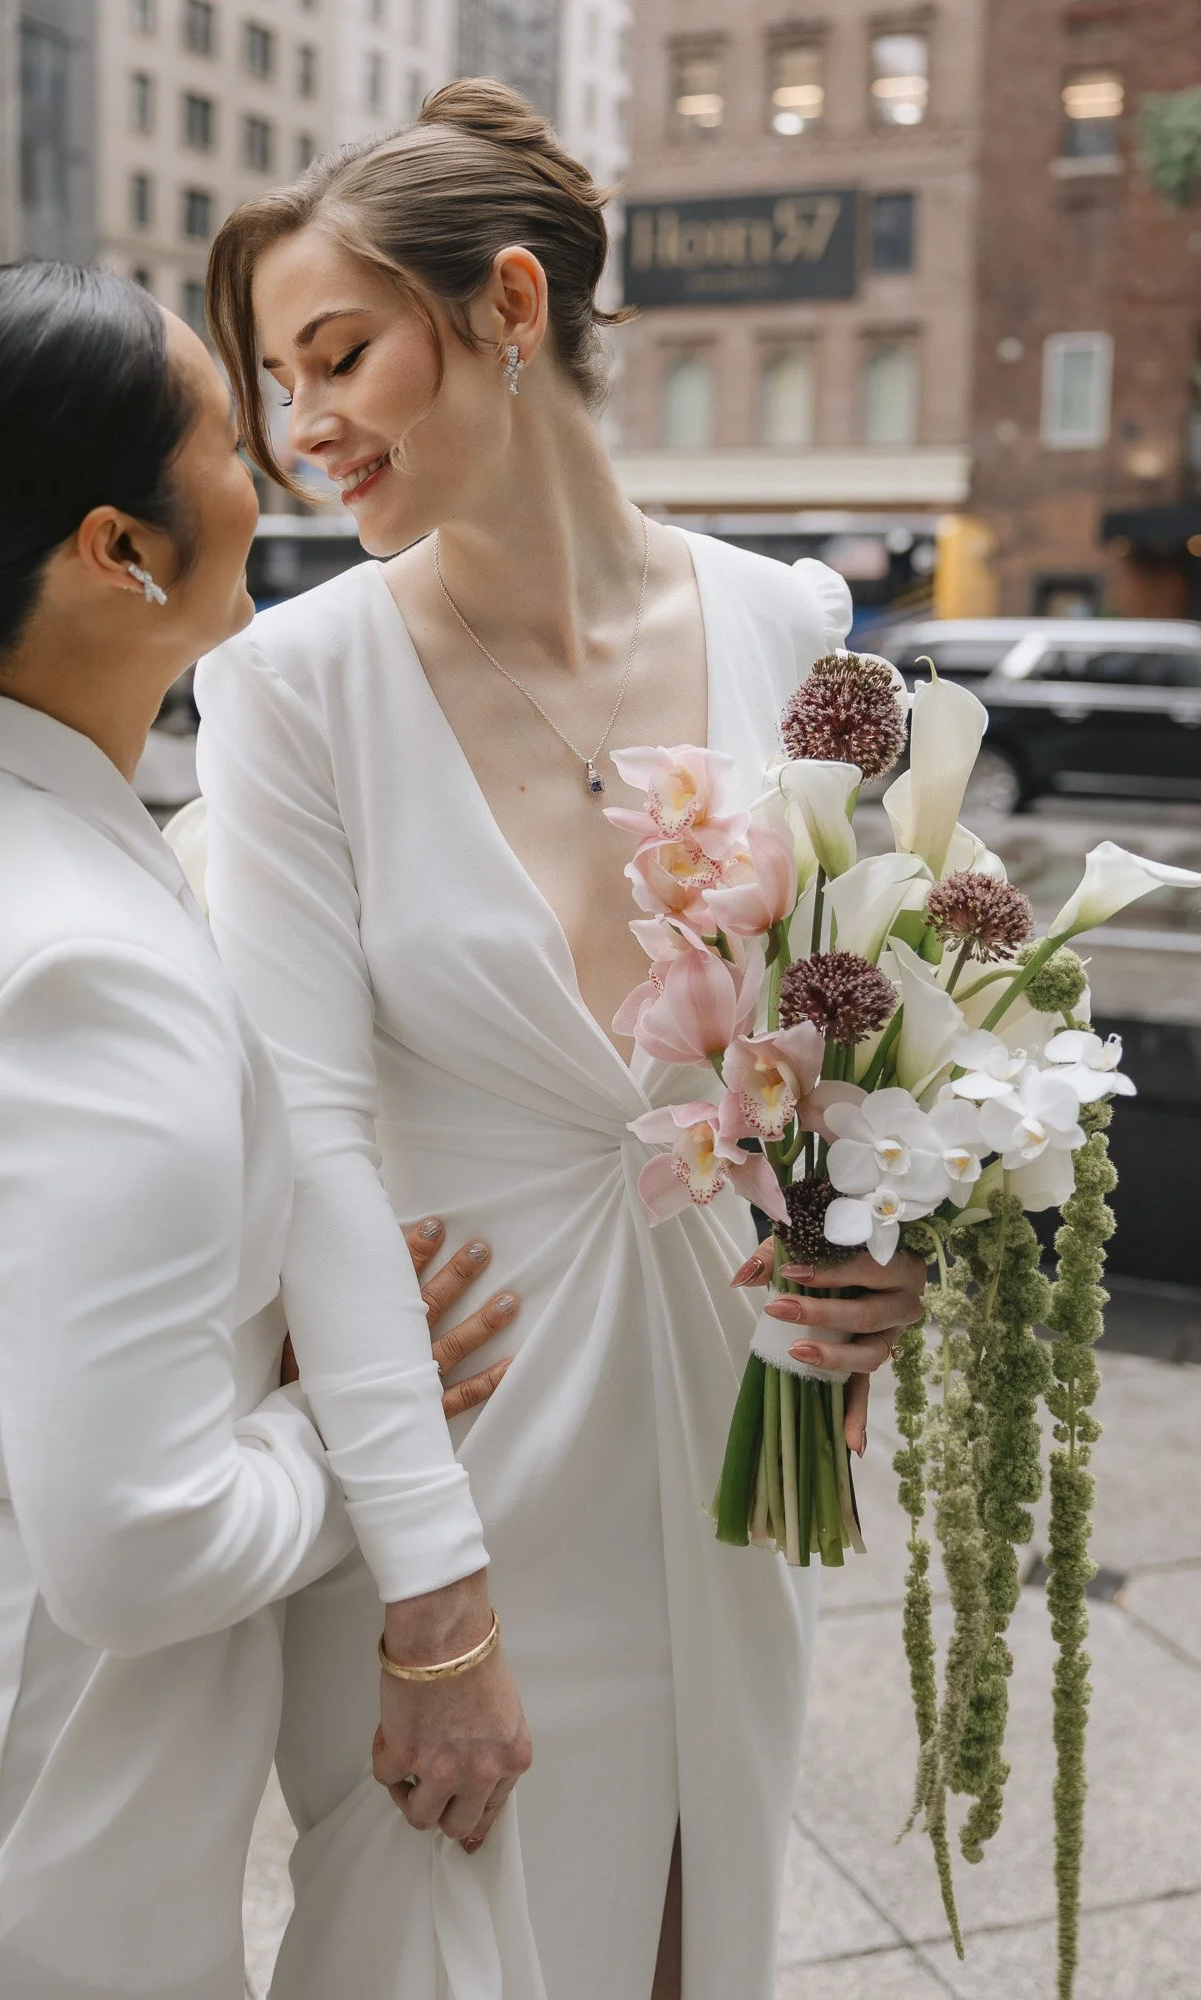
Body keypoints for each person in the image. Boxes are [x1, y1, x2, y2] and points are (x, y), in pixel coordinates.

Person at [194, 79, 928, 2000]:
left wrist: (879, 1256)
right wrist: (429, 1600)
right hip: (467, 1430)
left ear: (507, 307)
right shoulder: (289, 690)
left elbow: (869, 1024)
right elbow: (316, 1150)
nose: (303, 426)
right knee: (440, 1943)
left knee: (702, 1932)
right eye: (274, 379)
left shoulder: (796, 622)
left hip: (730, 1415)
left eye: (337, 354)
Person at [0, 260, 521, 2000]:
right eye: (231, 434)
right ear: (118, 549)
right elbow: (142, 1545)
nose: (276, 465)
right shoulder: (80, 969)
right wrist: (339, 1426)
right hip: (49, 1796)